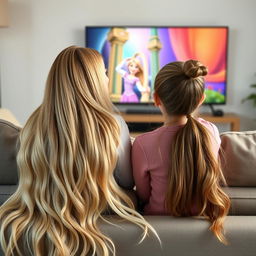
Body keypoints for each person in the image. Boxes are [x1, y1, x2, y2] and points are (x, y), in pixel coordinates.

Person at [0, 46, 157, 256]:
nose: (107, 77)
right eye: (104, 73)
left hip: (46, 202)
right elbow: (128, 181)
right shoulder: (113, 125)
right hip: (100, 205)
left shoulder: (33, 124)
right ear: (94, 81)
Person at [132, 60, 230, 244]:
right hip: (203, 221)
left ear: (156, 98)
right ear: (201, 99)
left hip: (156, 230)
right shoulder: (212, 132)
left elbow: (143, 195)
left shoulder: (142, 144)